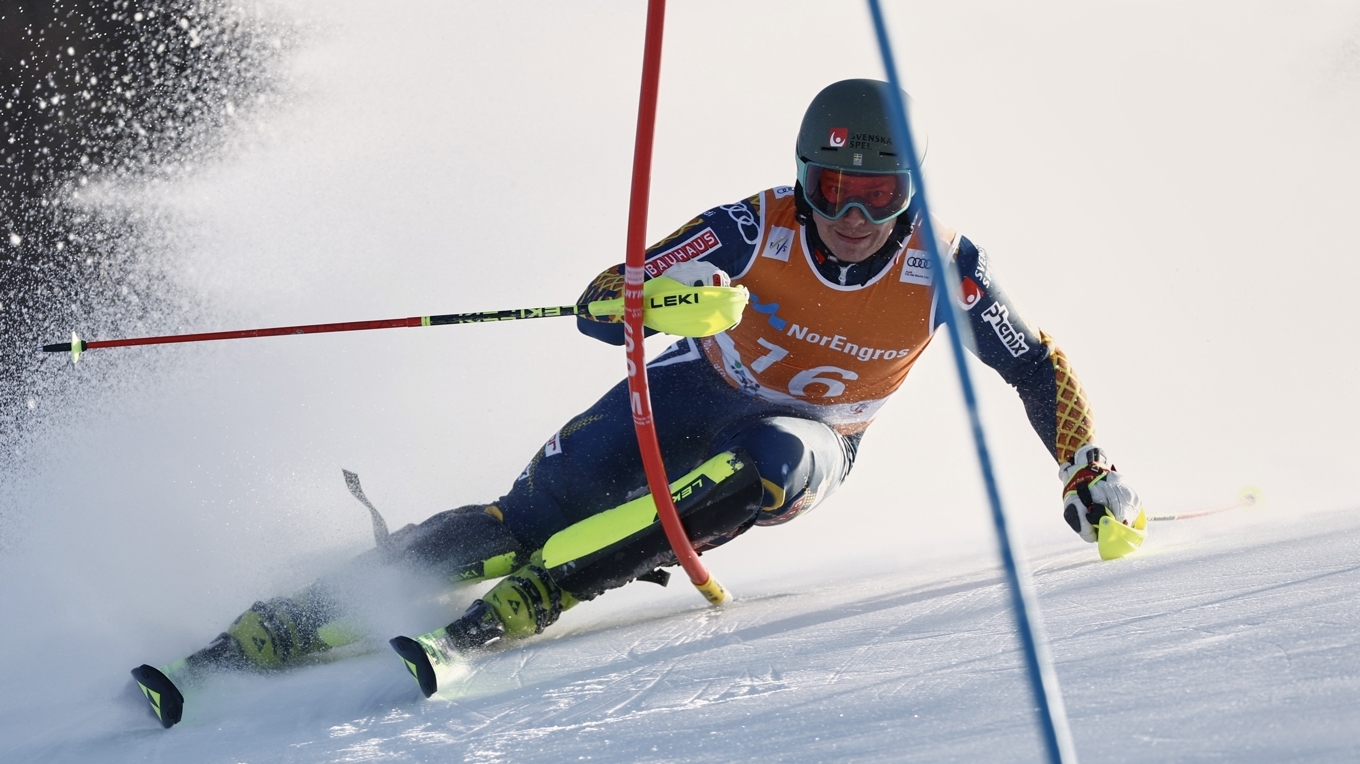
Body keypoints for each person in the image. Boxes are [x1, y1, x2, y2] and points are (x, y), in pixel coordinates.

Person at [131, 78, 1142, 726]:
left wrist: (1083, 465)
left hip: (811, 437)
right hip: (693, 386)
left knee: (770, 462)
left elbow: (1034, 363)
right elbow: (606, 298)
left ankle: (542, 598)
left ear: (908, 198)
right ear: (805, 181)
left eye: (876, 196)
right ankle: (286, 620)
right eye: (833, 188)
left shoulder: (941, 267)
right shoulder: (754, 228)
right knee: (519, 518)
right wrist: (647, 298)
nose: (850, 216)